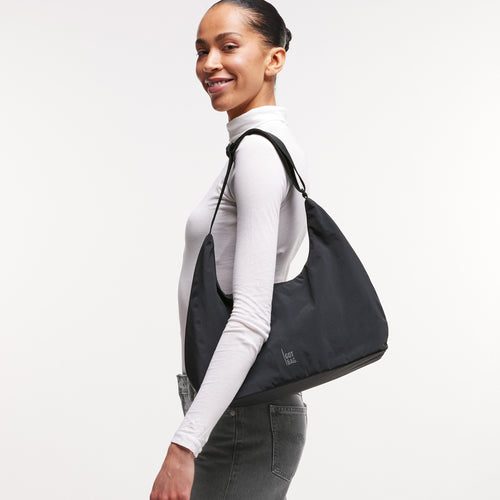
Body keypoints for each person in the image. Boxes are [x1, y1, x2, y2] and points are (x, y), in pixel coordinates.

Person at [151, 1, 310, 498]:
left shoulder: (259, 151)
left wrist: (184, 446)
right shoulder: (252, 148)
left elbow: (251, 319)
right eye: (202, 50)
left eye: (229, 46)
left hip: (243, 417)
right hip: (236, 409)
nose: (210, 63)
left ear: (274, 59)